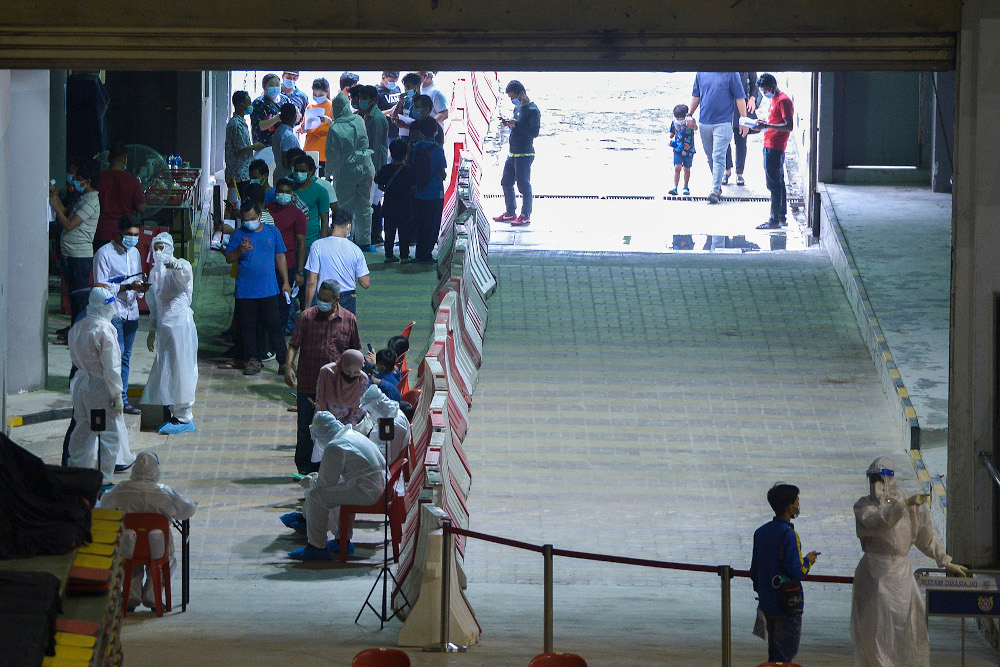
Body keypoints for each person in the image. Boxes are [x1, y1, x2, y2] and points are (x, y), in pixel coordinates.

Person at [850, 457, 969, 666]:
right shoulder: (864, 507)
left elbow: (926, 538)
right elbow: (879, 521)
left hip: (899, 576)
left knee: (906, 629)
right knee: (873, 631)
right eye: (873, 479)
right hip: (872, 573)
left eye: (880, 479)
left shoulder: (912, 503)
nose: (876, 484)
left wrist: (945, 561)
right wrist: (903, 504)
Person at [99, 451, 197, 610]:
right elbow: (188, 509)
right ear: (156, 469)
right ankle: (153, 595)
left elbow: (105, 504)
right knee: (167, 561)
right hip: (158, 548)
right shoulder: (164, 492)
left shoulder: (120, 489)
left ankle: (131, 597)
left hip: (129, 546)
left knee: (129, 562)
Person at [284, 411, 386, 560]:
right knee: (333, 491)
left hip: (368, 491)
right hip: (378, 484)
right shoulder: (351, 434)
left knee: (316, 495)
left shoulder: (336, 446)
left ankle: (316, 547)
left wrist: (310, 481)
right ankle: (341, 540)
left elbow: (326, 482)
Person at [284, 279, 361, 474]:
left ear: (336, 299)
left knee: (332, 431)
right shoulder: (307, 317)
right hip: (308, 383)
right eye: (319, 298)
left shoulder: (349, 320)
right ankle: (304, 470)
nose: (321, 302)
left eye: (326, 300)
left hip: (335, 389)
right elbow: (294, 344)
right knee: (305, 429)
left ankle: (327, 470)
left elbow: (354, 354)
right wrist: (288, 366)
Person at [749, 482, 820, 664]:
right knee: (785, 657)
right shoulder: (789, 534)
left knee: (774, 656)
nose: (798, 505)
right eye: (797, 501)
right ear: (789, 507)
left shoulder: (760, 532)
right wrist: (808, 561)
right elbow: (797, 571)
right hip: (787, 606)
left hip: (768, 604)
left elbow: (754, 570)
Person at [67, 287, 128, 487]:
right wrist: (117, 393)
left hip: (81, 385)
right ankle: (104, 479)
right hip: (99, 387)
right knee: (107, 432)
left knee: (82, 428)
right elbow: (111, 366)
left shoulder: (78, 326)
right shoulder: (104, 329)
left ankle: (77, 472)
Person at [223, 199, 291, 375]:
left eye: (252, 218)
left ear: (260, 216)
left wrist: (285, 282)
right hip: (245, 291)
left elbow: (280, 257)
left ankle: (284, 362)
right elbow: (229, 258)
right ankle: (253, 359)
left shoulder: (272, 232)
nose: (249, 223)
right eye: (246, 220)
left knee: (275, 326)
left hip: (269, 289)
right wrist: (239, 250)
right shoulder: (238, 235)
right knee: (247, 327)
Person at [93, 215, 149, 416]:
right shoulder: (104, 254)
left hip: (131, 312)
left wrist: (141, 288)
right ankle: (113, 398)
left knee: (125, 357)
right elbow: (100, 286)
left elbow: (138, 276)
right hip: (113, 311)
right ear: (119, 233)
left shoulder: (134, 253)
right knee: (114, 357)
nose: (133, 239)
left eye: (136, 235)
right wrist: (126, 287)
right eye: (129, 235)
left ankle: (122, 400)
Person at [143, 232, 198, 434]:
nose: (159, 252)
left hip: (181, 327)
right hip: (166, 330)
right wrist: (152, 329)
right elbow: (154, 304)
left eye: (162, 248)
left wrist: (172, 264)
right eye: (155, 248)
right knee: (168, 371)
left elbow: (185, 273)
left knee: (182, 370)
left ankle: (185, 418)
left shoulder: (179, 266)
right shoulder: (154, 275)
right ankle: (176, 413)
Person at [52, 158, 102, 325]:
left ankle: (77, 332)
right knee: (73, 296)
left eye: (78, 179)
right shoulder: (83, 197)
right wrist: (56, 198)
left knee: (79, 298)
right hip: (70, 254)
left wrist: (54, 206)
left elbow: (68, 224)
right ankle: (72, 330)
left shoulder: (92, 202)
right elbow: (67, 212)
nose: (74, 181)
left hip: (80, 257)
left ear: (87, 182)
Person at [326, 91, 377, 252]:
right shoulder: (358, 120)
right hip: (365, 165)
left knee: (344, 206)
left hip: (347, 170)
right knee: (364, 206)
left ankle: (343, 240)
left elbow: (332, 154)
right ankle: (364, 242)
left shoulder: (335, 128)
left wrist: (327, 174)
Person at [688, 72, 749, 204]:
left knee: (718, 155)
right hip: (704, 122)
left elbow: (740, 98)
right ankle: (717, 185)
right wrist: (689, 114)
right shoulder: (701, 72)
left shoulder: (732, 73)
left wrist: (743, 120)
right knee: (710, 157)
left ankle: (714, 190)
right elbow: (696, 95)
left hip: (724, 122)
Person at [492, 80, 541, 227]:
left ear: (521, 94)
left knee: (523, 185)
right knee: (506, 182)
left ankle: (525, 214)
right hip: (512, 152)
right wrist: (509, 123)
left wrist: (516, 125)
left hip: (524, 153)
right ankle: (510, 211)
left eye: (512, 97)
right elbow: (517, 126)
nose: (512, 100)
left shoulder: (533, 111)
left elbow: (534, 132)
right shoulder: (517, 109)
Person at [303, 209, 370, 314]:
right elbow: (365, 283)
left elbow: (312, 281)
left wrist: (307, 307)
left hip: (325, 296)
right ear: (348, 226)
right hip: (348, 297)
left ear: (331, 225)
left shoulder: (317, 245)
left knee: (323, 329)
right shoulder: (355, 249)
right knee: (345, 329)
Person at [754, 74, 795, 230]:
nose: (764, 93)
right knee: (779, 182)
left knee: (773, 184)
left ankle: (774, 220)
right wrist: (765, 124)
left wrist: (768, 126)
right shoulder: (774, 100)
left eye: (765, 90)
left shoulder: (783, 100)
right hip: (770, 143)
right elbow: (776, 122)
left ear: (773, 86)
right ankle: (781, 217)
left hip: (775, 146)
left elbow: (788, 126)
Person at [410, 117, 448, 263]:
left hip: (419, 192)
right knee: (432, 225)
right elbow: (442, 172)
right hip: (434, 192)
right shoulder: (438, 149)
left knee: (421, 223)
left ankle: (419, 252)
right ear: (436, 131)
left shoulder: (418, 147)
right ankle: (427, 253)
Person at [94, 142, 147, 247]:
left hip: (102, 230)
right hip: (125, 233)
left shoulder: (98, 178)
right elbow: (142, 208)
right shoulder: (132, 180)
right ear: (125, 159)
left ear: (108, 159)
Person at [356, 85, 389, 245]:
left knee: (374, 202)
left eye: (363, 98)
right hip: (370, 164)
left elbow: (375, 147)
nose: (360, 101)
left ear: (373, 99)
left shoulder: (376, 118)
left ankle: (376, 235)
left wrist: (374, 171)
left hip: (375, 165)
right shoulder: (368, 115)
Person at [374, 138, 414, 263]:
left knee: (389, 231)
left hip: (389, 204)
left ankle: (389, 255)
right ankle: (404, 256)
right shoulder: (408, 170)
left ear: (391, 153)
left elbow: (379, 184)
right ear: (405, 154)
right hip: (405, 205)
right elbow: (413, 187)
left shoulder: (385, 169)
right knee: (404, 231)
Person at [225, 91, 265, 202]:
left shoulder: (241, 122)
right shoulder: (236, 124)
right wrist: (254, 146)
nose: (250, 106)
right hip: (238, 174)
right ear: (241, 105)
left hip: (243, 172)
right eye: (249, 103)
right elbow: (240, 149)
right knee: (239, 202)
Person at [723, 72, 760, 187]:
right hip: (727, 108)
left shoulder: (749, 68)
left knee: (741, 141)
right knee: (724, 141)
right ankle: (727, 169)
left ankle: (739, 173)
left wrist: (753, 98)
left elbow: (755, 84)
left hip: (742, 109)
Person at [290, 153, 332, 252]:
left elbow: (324, 219)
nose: (299, 173)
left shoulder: (320, 191)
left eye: (303, 171)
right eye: (296, 170)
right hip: (290, 242)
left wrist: (322, 243)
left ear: (312, 171)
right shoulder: (289, 188)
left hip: (311, 243)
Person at [315, 348, 370, 425]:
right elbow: (320, 400)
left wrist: (348, 426)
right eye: (348, 371)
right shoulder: (327, 372)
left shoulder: (363, 379)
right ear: (341, 365)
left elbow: (362, 406)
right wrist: (329, 424)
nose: (351, 375)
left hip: (350, 425)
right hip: (326, 422)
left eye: (356, 372)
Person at [360, 384, 410, 465]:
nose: (369, 414)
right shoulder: (391, 414)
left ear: (376, 406)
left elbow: (384, 459)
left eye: (369, 411)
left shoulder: (392, 424)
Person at [300, 78, 333, 175]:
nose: (318, 97)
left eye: (321, 95)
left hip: (325, 152)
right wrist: (306, 126)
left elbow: (339, 129)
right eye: (315, 95)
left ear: (327, 92)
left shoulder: (332, 106)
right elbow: (303, 129)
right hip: (309, 149)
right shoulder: (310, 106)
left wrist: (329, 121)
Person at [249, 73, 290, 146]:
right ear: (264, 87)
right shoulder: (259, 103)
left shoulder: (285, 100)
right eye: (271, 85)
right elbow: (258, 126)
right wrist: (276, 119)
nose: (275, 87)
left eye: (277, 85)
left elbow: (295, 120)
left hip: (284, 144)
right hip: (265, 146)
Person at [668, 104, 697, 197]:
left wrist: (691, 124)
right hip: (678, 148)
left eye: (681, 118)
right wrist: (670, 140)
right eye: (677, 118)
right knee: (677, 167)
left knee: (687, 168)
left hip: (689, 149)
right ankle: (675, 187)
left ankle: (685, 187)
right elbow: (671, 133)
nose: (679, 120)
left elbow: (695, 128)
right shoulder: (674, 122)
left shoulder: (690, 121)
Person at [270, 103, 300, 183]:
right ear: (295, 117)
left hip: (280, 174)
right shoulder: (287, 136)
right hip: (286, 177)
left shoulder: (278, 132)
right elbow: (286, 162)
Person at [390, 72, 422, 140]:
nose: (406, 90)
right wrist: (400, 101)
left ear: (417, 86)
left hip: (416, 139)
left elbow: (423, 126)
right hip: (403, 137)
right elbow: (393, 116)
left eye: (408, 86)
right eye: (405, 87)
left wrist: (405, 126)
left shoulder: (423, 101)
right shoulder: (406, 100)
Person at [376, 71, 402, 140]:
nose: (394, 84)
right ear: (383, 77)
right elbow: (374, 115)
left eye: (396, 81)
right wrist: (391, 111)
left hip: (398, 132)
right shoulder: (376, 92)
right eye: (391, 81)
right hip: (384, 134)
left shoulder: (397, 89)